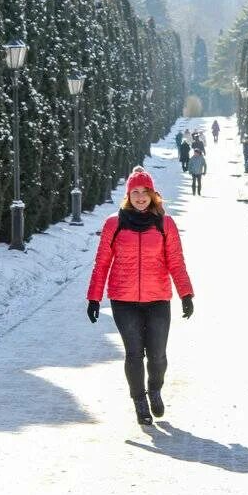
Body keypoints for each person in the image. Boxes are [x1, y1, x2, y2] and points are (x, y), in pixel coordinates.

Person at [87, 168, 194, 426]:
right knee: (134, 353)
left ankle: (155, 388)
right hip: (124, 301)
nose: (140, 197)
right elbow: (101, 263)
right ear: (128, 195)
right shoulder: (115, 223)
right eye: (134, 192)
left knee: (157, 355)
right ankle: (139, 401)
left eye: (144, 192)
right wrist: (94, 298)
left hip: (157, 298)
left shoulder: (164, 223)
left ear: (152, 195)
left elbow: (176, 262)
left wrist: (186, 293)